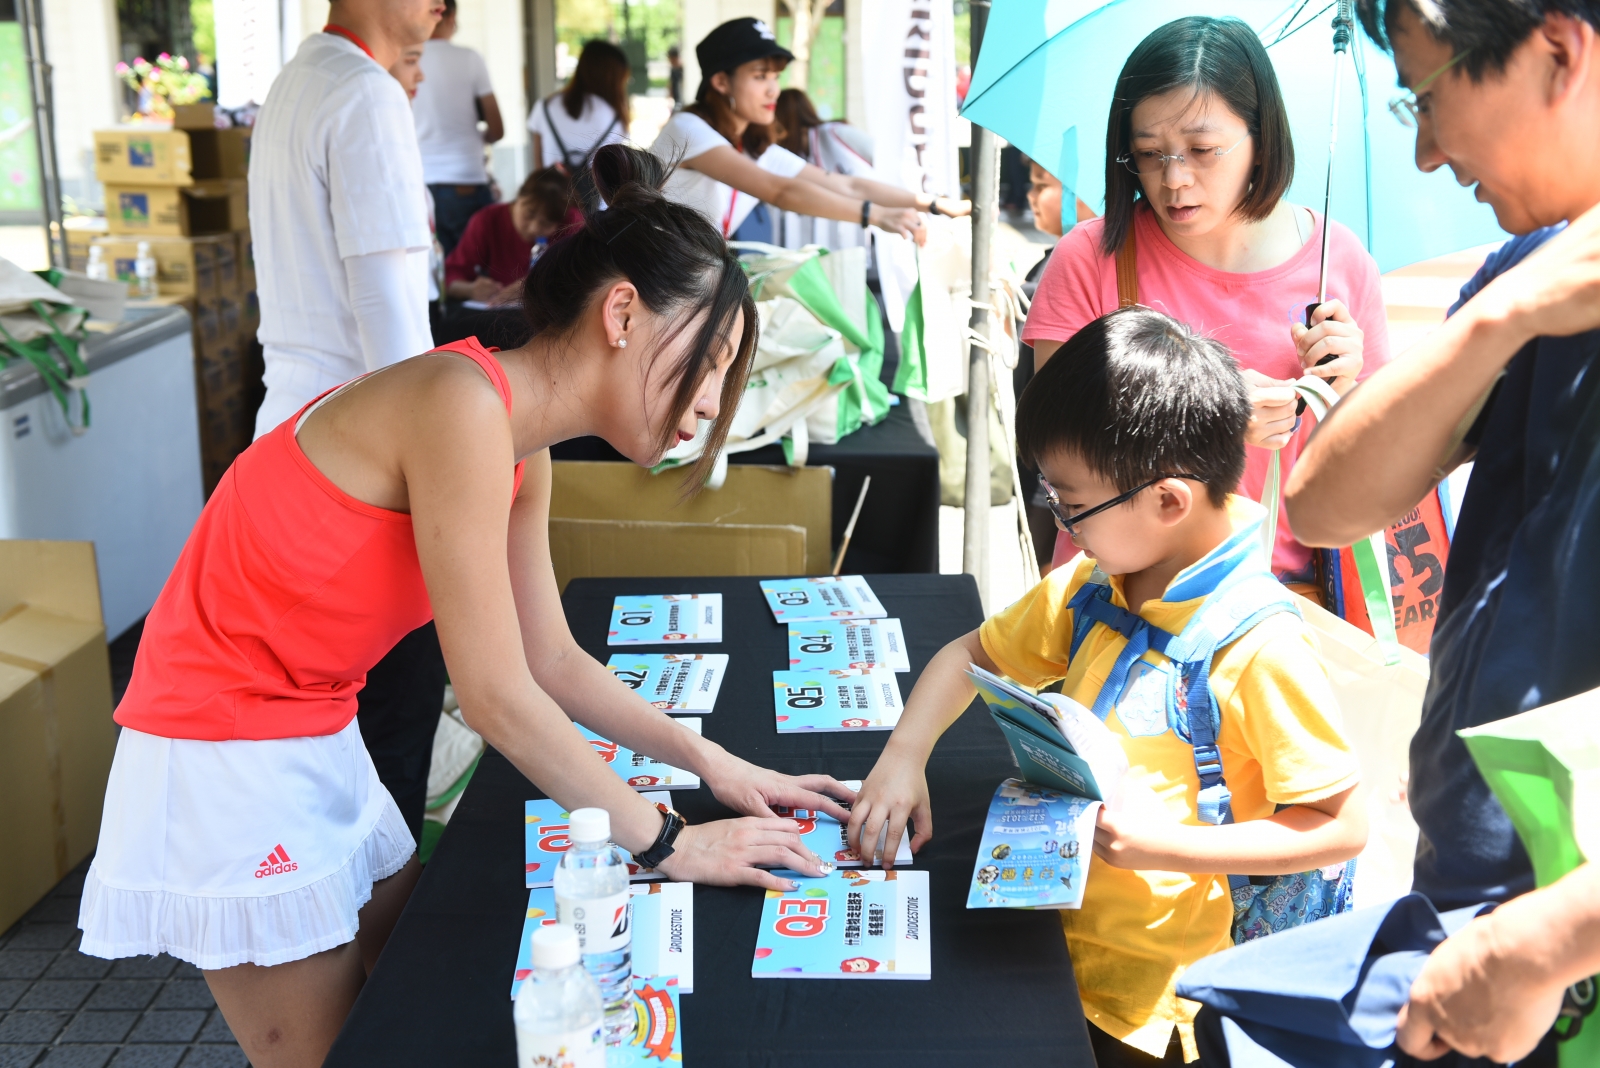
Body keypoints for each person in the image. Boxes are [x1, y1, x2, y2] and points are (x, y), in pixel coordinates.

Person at [76, 146, 850, 1068]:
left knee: (408, 984)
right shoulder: (460, 405)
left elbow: (551, 661)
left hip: (313, 725)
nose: (711, 404)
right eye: (712, 364)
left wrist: (710, 760)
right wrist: (670, 843)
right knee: (336, 1052)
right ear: (621, 312)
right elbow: (493, 697)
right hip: (222, 751)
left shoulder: (521, 443)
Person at [846, 307, 1366, 1066]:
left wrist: (1167, 847)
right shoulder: (1097, 584)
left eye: (1071, 503)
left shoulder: (1259, 647)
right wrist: (904, 752)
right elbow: (971, 653)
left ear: (1166, 501)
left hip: (1168, 1005)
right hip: (1060, 951)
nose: (1063, 521)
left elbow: (1341, 826)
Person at [1285, 0, 1600, 1062]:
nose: (1425, 155)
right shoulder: (1530, 277)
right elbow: (1326, 502)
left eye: (1428, 99)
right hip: (1477, 906)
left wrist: (1552, 939)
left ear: (1556, 52)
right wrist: (1495, 321)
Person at [1021, 16, 1389, 588]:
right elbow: (1054, 445)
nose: (1174, 179)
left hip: (1285, 600)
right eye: (1149, 153)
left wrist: (1344, 394)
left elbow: (1382, 464)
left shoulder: (1337, 262)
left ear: (1261, 141)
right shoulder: (1091, 257)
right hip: (1118, 594)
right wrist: (1208, 413)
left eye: (1202, 149)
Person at [651, 18, 968, 243]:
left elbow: (849, 186)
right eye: (760, 77)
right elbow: (779, 191)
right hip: (636, 275)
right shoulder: (687, 130)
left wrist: (935, 204)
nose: (774, 90)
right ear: (721, 82)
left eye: (775, 77)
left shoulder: (753, 148)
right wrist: (878, 216)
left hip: (676, 275)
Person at [413, 0, 505, 255]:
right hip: (466, 179)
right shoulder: (470, 58)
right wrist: (477, 137)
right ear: (449, 15)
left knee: (438, 273)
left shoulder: (407, 58)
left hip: (421, 183)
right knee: (477, 271)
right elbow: (497, 128)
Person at [444, 167, 573, 304]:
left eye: (546, 224)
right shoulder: (487, 220)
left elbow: (586, 277)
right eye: (528, 215)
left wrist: (537, 285)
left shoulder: (572, 224)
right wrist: (470, 289)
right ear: (518, 198)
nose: (533, 228)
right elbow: (450, 275)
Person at [528, 39, 631, 172]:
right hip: (596, 193)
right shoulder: (615, 118)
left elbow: (538, 166)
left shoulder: (545, 107)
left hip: (550, 191)